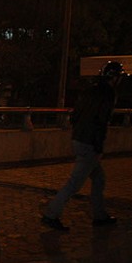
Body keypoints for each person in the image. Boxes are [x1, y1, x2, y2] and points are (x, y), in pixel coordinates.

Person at [41, 61, 126, 231]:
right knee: (74, 183)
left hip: (79, 138)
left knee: (99, 179)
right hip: (90, 143)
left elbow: (76, 114)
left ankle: (100, 215)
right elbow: (102, 121)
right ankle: (51, 214)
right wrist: (99, 146)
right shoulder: (108, 93)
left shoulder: (90, 90)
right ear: (115, 78)